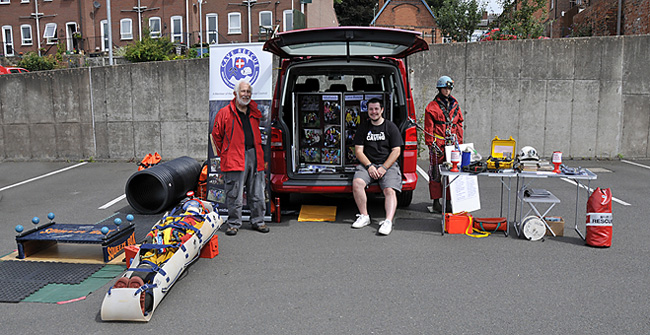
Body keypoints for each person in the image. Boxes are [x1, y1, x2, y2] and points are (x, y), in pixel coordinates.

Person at [211, 80, 269, 236]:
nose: (246, 94)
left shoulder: (254, 112)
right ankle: (234, 223)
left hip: (254, 155)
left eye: (248, 92)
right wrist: (226, 152)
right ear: (235, 93)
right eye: (243, 91)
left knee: (257, 192)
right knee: (234, 193)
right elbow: (216, 136)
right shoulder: (224, 113)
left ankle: (258, 221)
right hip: (234, 157)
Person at [351, 98, 403, 235]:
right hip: (368, 165)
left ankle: (388, 222)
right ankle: (364, 216)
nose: (373, 112)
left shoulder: (391, 127)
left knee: (389, 190)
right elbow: (358, 151)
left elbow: (396, 151)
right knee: (357, 183)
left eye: (376, 109)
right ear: (367, 111)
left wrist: (384, 167)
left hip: (388, 165)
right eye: (371, 109)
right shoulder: (363, 127)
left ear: (382, 110)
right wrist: (369, 166)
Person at [424, 75, 464, 213]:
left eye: (449, 88)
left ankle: (448, 202)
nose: (447, 91)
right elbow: (428, 128)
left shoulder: (455, 104)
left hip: (452, 143)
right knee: (435, 173)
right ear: (439, 89)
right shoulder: (432, 107)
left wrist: (460, 143)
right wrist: (431, 144)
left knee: (451, 173)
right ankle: (436, 201)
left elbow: (459, 124)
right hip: (438, 143)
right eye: (444, 88)